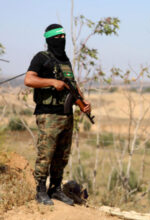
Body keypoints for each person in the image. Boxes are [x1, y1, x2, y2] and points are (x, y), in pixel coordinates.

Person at [24, 24, 91, 206]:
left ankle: (56, 189)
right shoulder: (41, 57)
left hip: (66, 115)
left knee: (62, 155)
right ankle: (40, 190)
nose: (61, 40)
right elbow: (29, 79)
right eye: (57, 37)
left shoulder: (65, 61)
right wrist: (52, 82)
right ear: (49, 39)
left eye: (63, 37)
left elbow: (72, 87)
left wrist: (82, 103)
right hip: (48, 115)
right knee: (46, 153)